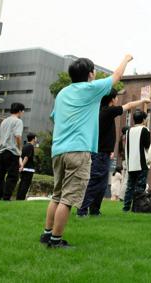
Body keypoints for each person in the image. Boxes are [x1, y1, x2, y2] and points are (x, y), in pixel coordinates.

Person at [41, 55, 132, 248]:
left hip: (58, 150)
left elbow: (55, 118)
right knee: (68, 197)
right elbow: (116, 76)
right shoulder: (91, 89)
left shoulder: (63, 93)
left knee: (57, 195)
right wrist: (126, 58)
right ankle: (56, 241)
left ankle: (46, 234)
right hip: (78, 150)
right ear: (91, 74)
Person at [77, 89, 150, 217]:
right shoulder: (107, 110)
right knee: (95, 182)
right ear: (112, 99)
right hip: (99, 153)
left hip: (103, 153)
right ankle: (82, 210)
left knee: (101, 184)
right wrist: (143, 100)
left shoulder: (100, 110)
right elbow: (128, 106)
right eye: (116, 98)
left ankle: (94, 210)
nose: (117, 100)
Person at [0, 103, 25, 201]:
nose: (23, 113)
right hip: (12, 151)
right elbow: (18, 136)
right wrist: (20, 148)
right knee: (12, 176)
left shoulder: (4, 121)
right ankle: (6, 197)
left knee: (0, 175)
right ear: (20, 111)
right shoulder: (18, 121)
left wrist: (1, 145)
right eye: (23, 111)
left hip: (2, 151)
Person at [122, 109, 151, 212]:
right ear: (143, 119)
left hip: (131, 163)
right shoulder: (145, 130)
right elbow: (148, 146)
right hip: (142, 163)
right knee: (140, 186)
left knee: (130, 186)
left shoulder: (128, 130)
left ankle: (126, 207)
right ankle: (137, 207)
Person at [16, 133, 38, 200]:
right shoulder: (30, 146)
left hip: (24, 169)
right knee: (25, 184)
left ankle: (19, 198)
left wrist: (21, 166)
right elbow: (26, 157)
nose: (37, 139)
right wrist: (22, 166)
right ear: (33, 139)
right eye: (36, 138)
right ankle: (21, 198)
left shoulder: (24, 146)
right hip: (28, 169)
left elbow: (20, 157)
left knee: (22, 183)